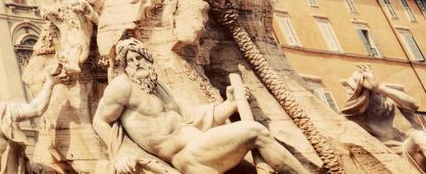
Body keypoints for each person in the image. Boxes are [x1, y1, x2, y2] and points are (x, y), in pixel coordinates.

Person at [92, 38, 311, 174]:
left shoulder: (159, 87)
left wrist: (231, 104)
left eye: (140, 57)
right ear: (124, 65)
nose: (137, 63)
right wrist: (120, 154)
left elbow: (197, 117)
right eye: (130, 60)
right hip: (186, 157)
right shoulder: (122, 86)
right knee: (255, 132)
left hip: (204, 151)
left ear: (149, 59)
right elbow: (100, 120)